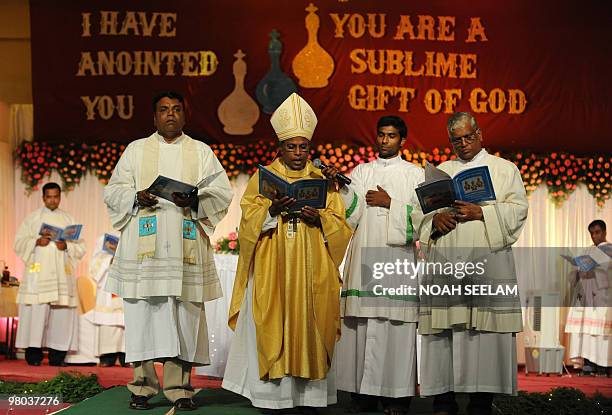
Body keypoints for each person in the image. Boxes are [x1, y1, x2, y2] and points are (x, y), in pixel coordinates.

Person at [222, 93, 352, 414]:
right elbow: (248, 218)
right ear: (279, 148)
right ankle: (273, 398)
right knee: (273, 321)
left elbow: (340, 224)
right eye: (291, 146)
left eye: (303, 146)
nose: (297, 153)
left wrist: (319, 217)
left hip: (312, 268)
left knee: (310, 322)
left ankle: (309, 398)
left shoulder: (323, 180)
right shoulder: (263, 177)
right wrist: (270, 210)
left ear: (310, 147)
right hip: (273, 266)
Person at [104, 91, 234, 411]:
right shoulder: (136, 150)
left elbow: (221, 191)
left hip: (184, 247)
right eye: (164, 110)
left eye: (176, 109)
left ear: (185, 116)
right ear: (155, 117)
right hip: (144, 249)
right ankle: (142, 387)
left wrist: (196, 200)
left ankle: (180, 388)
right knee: (143, 316)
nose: (171, 115)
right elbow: (114, 190)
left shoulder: (201, 152)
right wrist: (137, 196)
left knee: (183, 318)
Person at [417, 112, 528, 415]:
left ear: (480, 134)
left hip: (487, 263)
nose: (463, 144)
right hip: (446, 264)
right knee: (446, 333)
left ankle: (481, 401)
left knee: (485, 335)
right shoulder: (442, 171)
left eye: (468, 137)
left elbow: (518, 210)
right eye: (456, 140)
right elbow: (421, 214)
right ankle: (444, 398)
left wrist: (483, 214)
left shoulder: (505, 169)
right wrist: (433, 219)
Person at [324, 116, 424, 415]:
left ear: (402, 140)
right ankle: (362, 394)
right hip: (364, 258)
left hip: (397, 263)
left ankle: (397, 398)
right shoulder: (361, 171)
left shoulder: (415, 175)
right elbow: (349, 214)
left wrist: (389, 202)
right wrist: (340, 188)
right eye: (381, 135)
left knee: (396, 332)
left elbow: (421, 220)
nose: (384, 140)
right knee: (362, 328)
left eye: (391, 136)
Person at [14, 182, 86, 366]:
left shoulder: (68, 219)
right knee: (36, 315)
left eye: (56, 196)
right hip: (38, 275)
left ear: (60, 197)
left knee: (60, 317)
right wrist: (36, 242)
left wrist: (67, 245)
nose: (53, 200)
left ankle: (57, 357)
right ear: (43, 197)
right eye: (49, 196)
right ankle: (34, 356)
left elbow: (81, 246)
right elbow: (18, 243)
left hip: (62, 276)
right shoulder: (33, 218)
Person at [565, 219, 611, 376]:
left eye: (597, 232)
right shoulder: (586, 250)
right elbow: (575, 273)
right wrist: (576, 268)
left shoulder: (609, 249)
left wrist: (594, 265)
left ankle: (603, 367)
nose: (594, 236)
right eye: (592, 233)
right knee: (586, 332)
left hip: (602, 296)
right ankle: (588, 365)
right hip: (585, 297)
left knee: (600, 333)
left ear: (604, 232)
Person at [85, 233, 127, 367]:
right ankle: (108, 355)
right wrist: (109, 260)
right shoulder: (104, 238)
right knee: (109, 322)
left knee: (127, 321)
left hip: (127, 282)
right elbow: (95, 263)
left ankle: (126, 355)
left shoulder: (134, 235)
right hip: (109, 283)